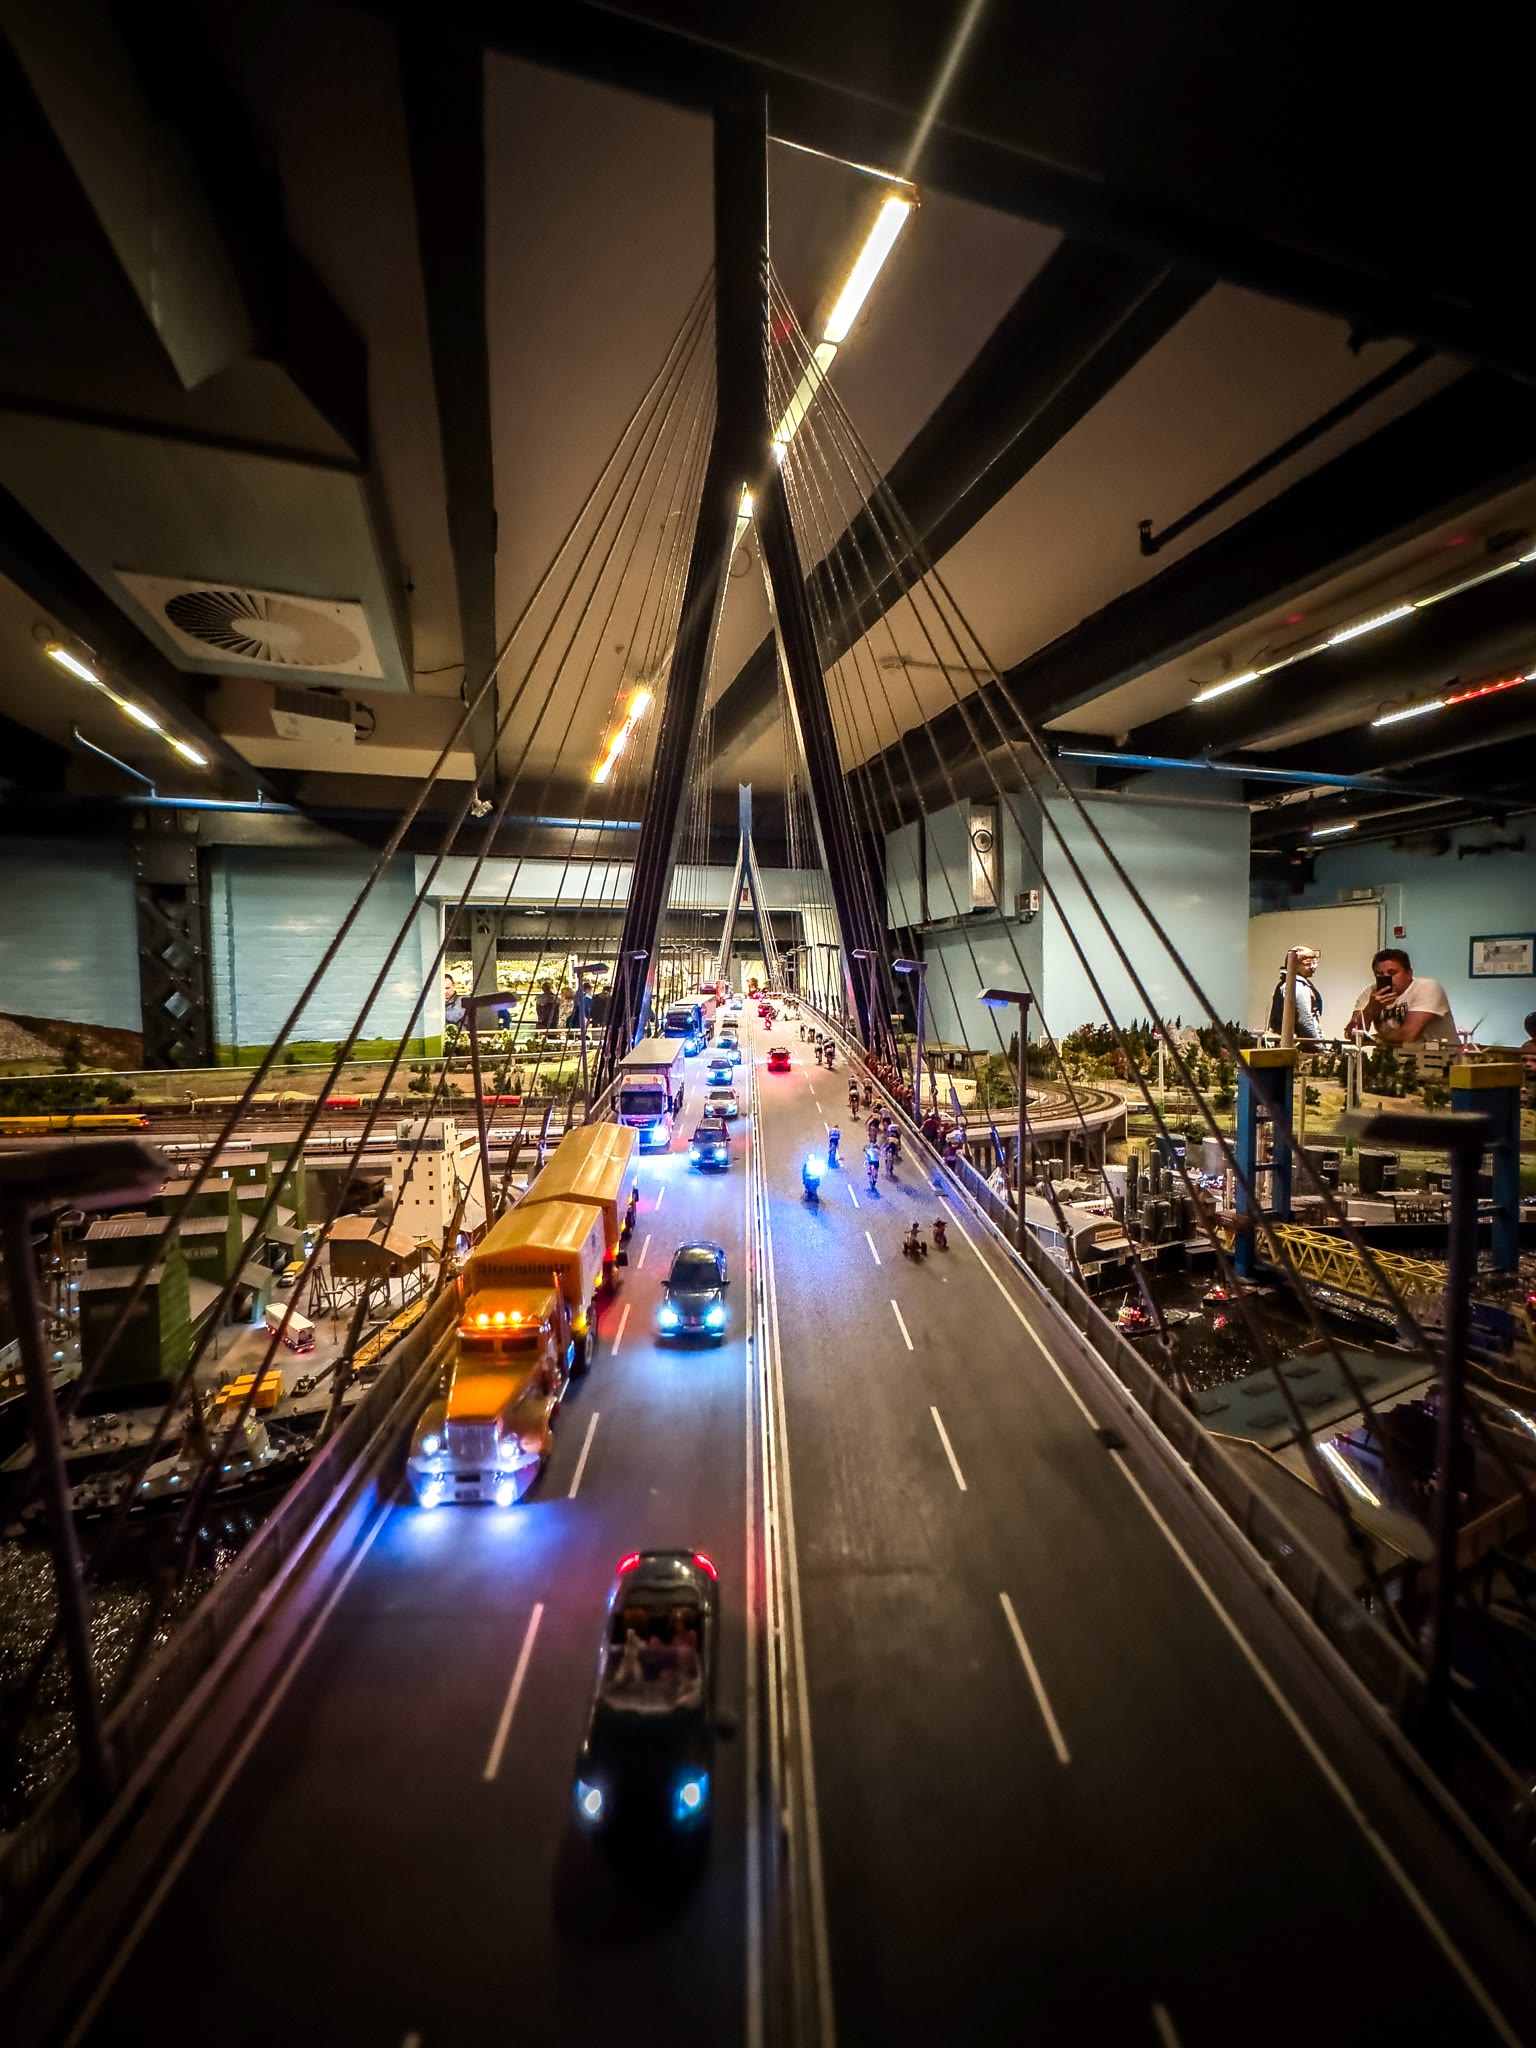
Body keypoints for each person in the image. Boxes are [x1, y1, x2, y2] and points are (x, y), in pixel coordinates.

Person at [1348, 948, 1459, 1046]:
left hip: (1440, 1058)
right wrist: (1370, 1009)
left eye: (1392, 973)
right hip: (1393, 1059)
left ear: (1409, 973)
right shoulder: (1370, 993)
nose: (1386, 978)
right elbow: (1352, 1033)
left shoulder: (1426, 987)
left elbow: (1408, 1035)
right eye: (1379, 974)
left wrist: (1377, 1038)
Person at [1267, 945, 1324, 1039]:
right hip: (1300, 1043)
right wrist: (1318, 1045)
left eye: (1314, 963)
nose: (1313, 966)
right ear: (1294, 965)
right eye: (1307, 964)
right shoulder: (1298, 987)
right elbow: (1305, 1021)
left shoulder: (1290, 983)